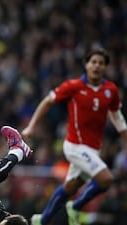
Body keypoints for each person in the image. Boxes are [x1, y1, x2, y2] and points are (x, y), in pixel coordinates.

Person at [22, 48, 127, 225]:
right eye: (93, 62)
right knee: (106, 179)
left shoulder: (110, 90)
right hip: (74, 146)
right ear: (86, 64)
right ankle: (75, 207)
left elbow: (117, 116)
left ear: (105, 67)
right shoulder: (74, 86)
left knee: (70, 187)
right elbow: (47, 101)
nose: (97, 66)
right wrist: (31, 127)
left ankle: (41, 219)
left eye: (101, 63)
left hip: (94, 149)